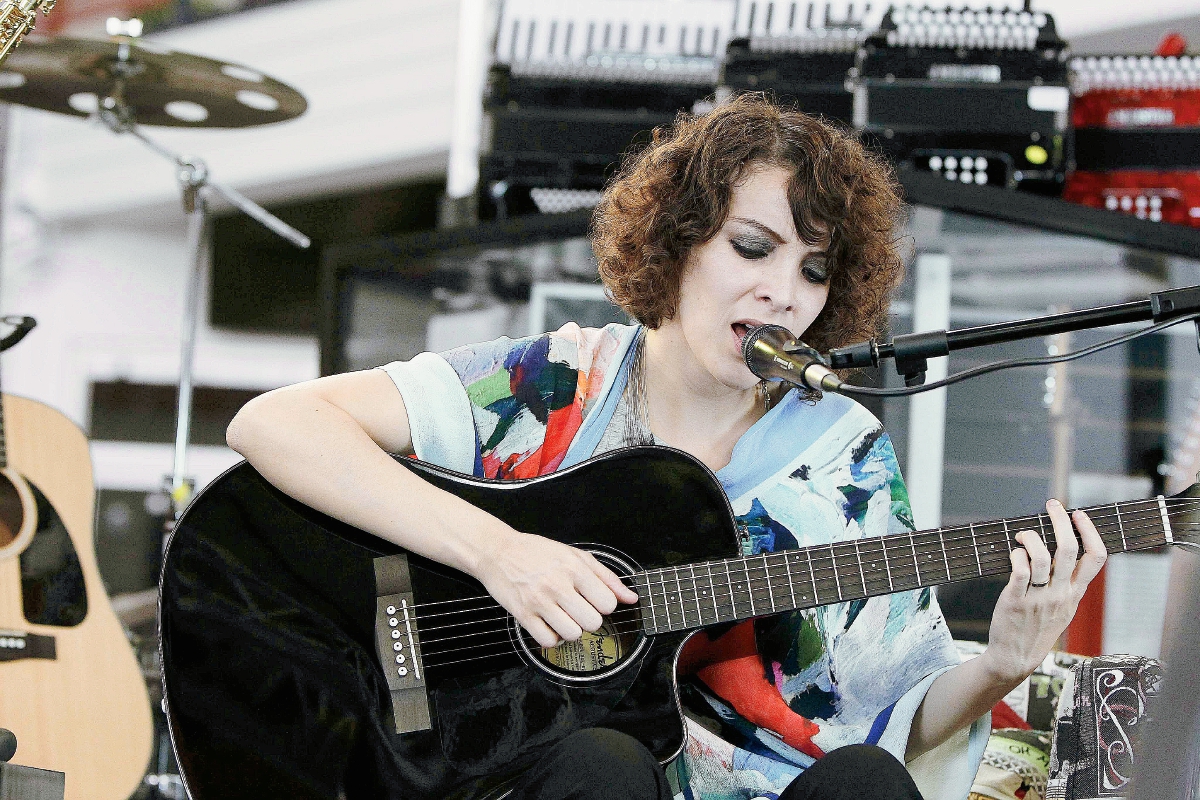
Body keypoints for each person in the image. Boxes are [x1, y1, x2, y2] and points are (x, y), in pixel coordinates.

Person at [226, 93, 1107, 800]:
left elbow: (897, 711)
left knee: (867, 784)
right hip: (512, 772)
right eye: (753, 248)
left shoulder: (847, 454)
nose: (782, 295)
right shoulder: (557, 385)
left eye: (812, 269)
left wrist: (1001, 662)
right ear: (679, 241)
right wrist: (502, 554)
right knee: (604, 764)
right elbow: (273, 424)